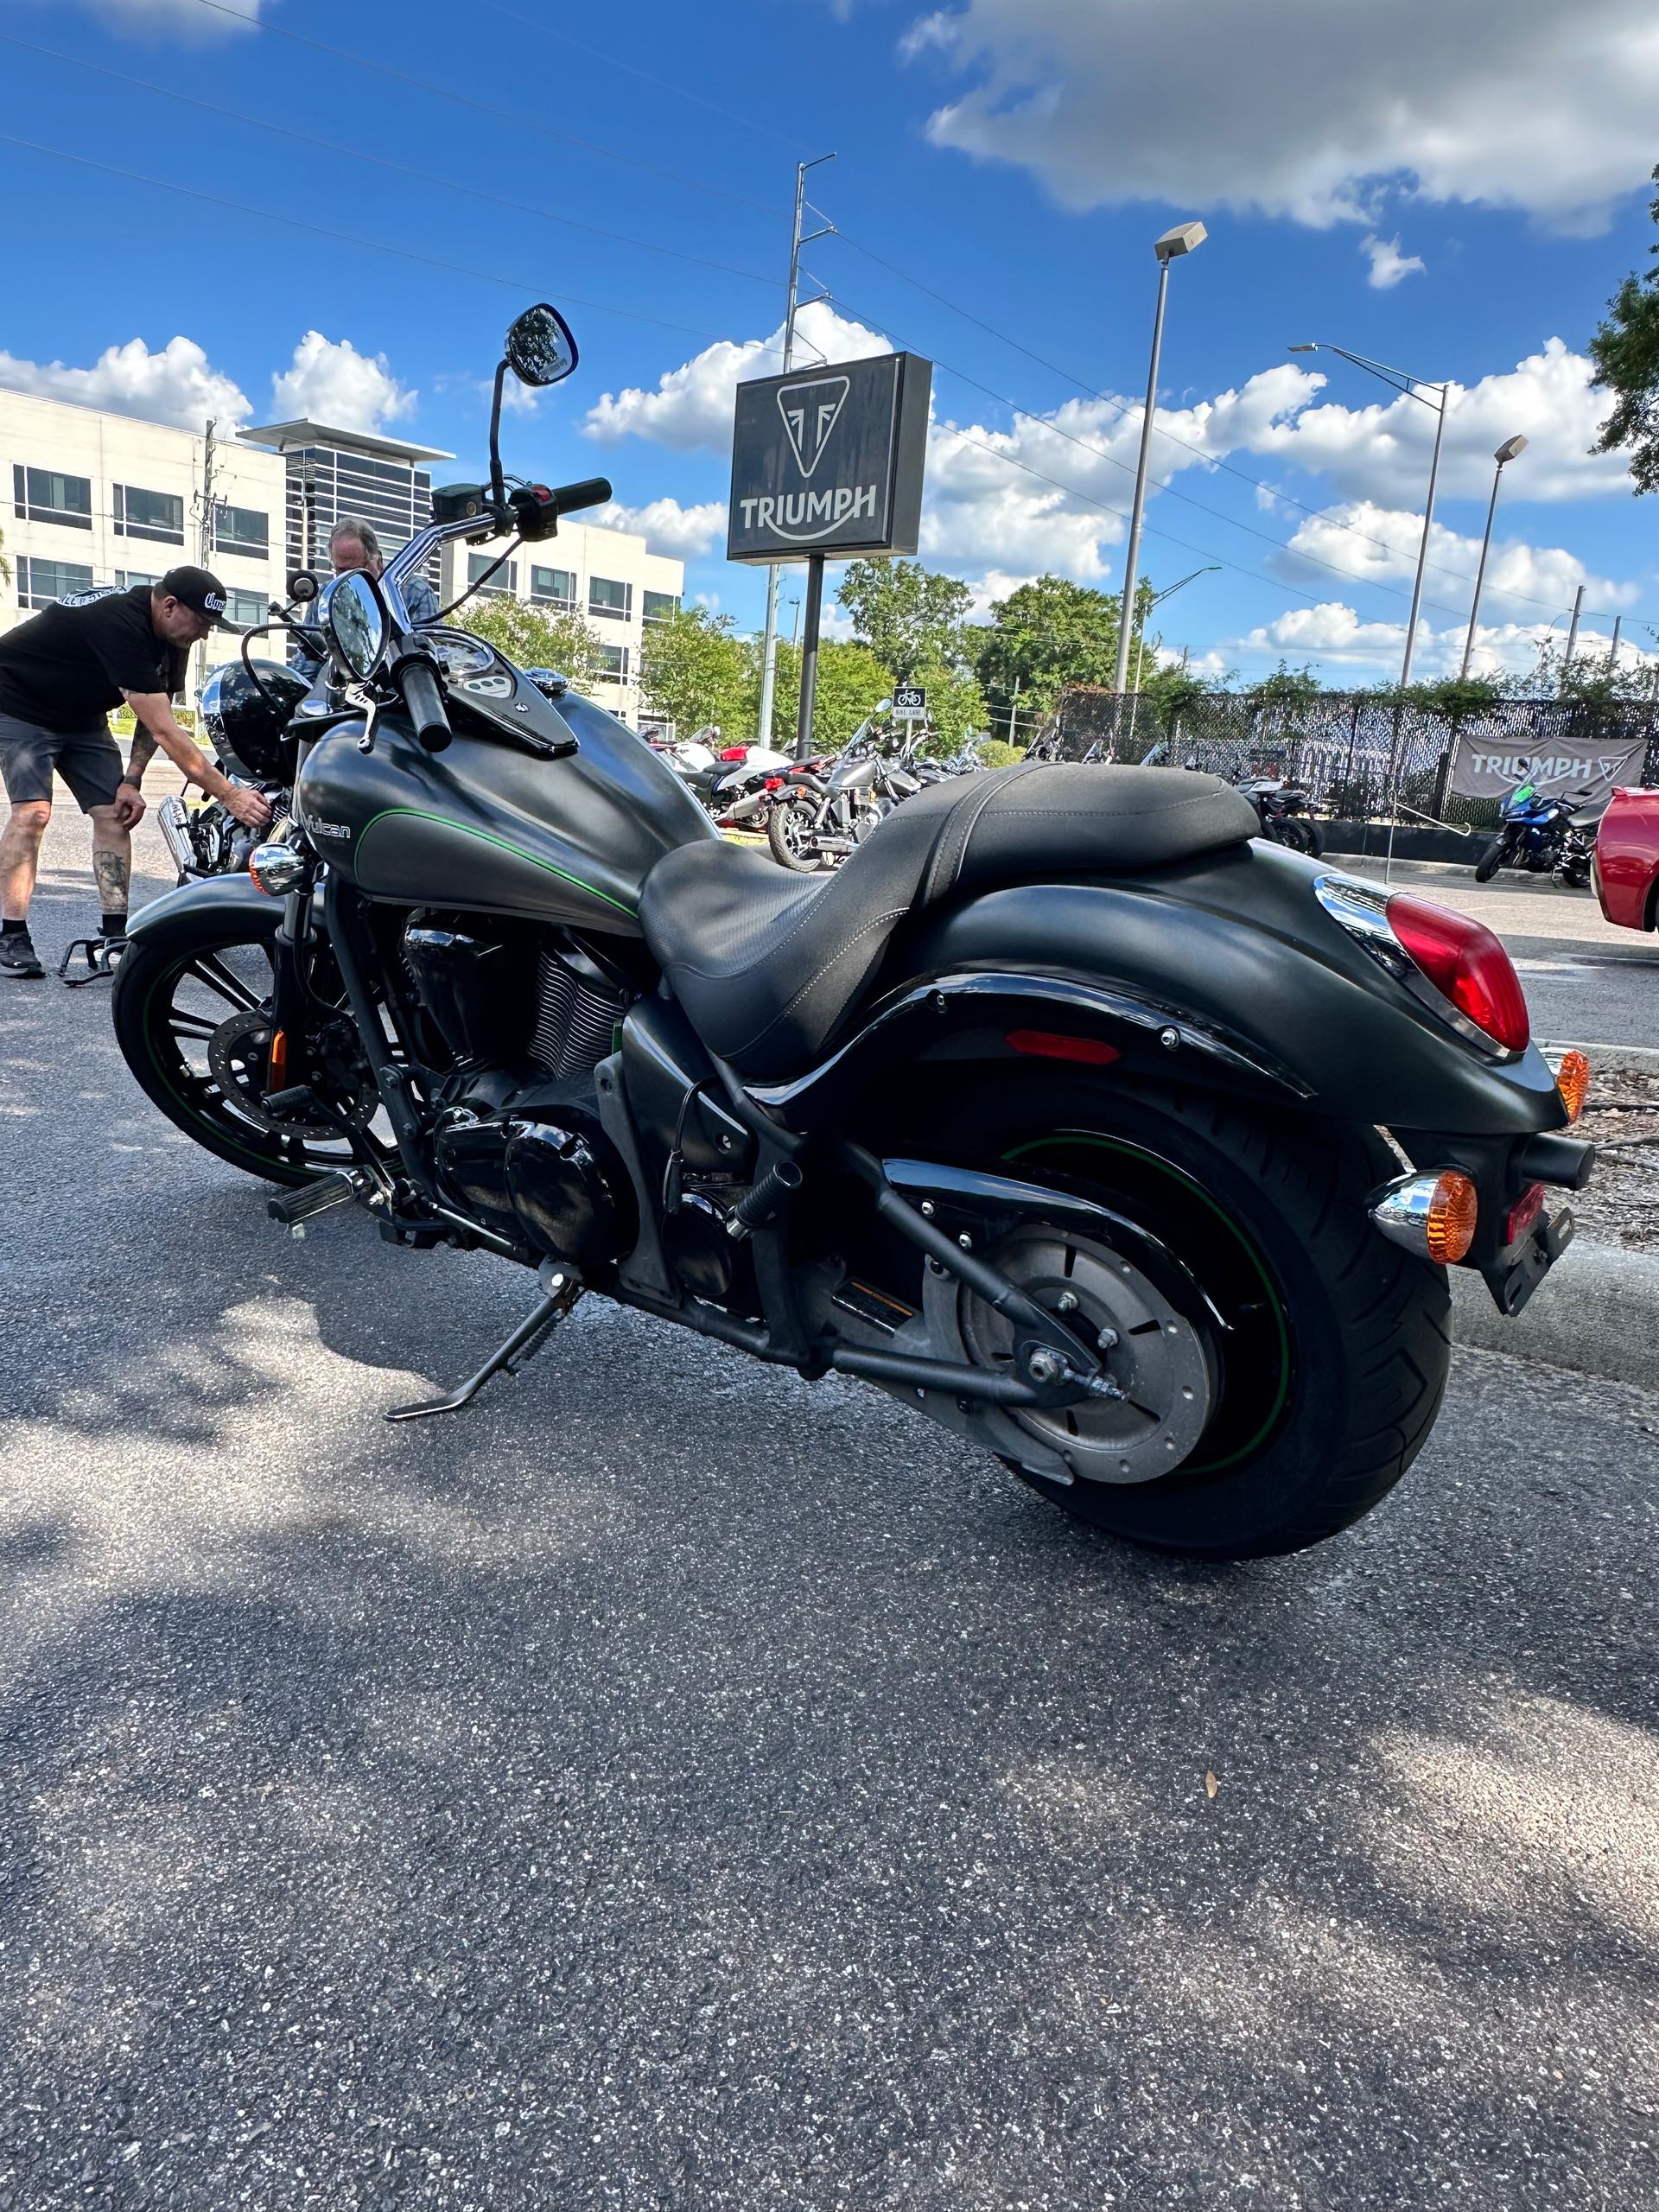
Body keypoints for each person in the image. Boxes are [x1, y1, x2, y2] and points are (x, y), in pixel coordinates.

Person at [0, 566, 271, 980]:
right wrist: (229, 795)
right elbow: (166, 729)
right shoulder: (119, 623)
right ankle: (12, 935)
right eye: (201, 623)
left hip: (82, 715)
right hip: (19, 703)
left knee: (115, 811)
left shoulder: (171, 634)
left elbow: (153, 716)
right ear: (169, 606)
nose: (203, 635)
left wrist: (132, 780)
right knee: (33, 813)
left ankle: (115, 935)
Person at [292, 516, 440, 672]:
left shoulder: (415, 594)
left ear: (379, 562)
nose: (348, 580)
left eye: (356, 570)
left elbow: (432, 655)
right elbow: (306, 663)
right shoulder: (324, 597)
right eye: (340, 571)